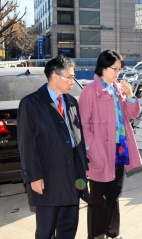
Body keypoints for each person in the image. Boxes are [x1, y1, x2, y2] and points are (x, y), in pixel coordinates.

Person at [17, 55, 90, 239]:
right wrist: (33, 176)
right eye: (69, 77)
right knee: (46, 230)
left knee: (68, 228)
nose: (73, 81)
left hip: (72, 177)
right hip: (48, 177)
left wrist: (83, 168)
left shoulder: (72, 102)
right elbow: (26, 143)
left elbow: (77, 137)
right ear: (55, 76)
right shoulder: (31, 103)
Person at [78, 49, 142, 239]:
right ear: (103, 68)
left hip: (118, 149)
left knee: (114, 194)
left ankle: (113, 233)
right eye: (114, 69)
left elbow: (131, 115)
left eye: (119, 69)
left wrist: (130, 95)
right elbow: (84, 126)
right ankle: (97, 235)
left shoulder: (116, 89)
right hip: (99, 152)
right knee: (97, 198)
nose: (117, 73)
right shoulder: (90, 91)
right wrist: (92, 151)